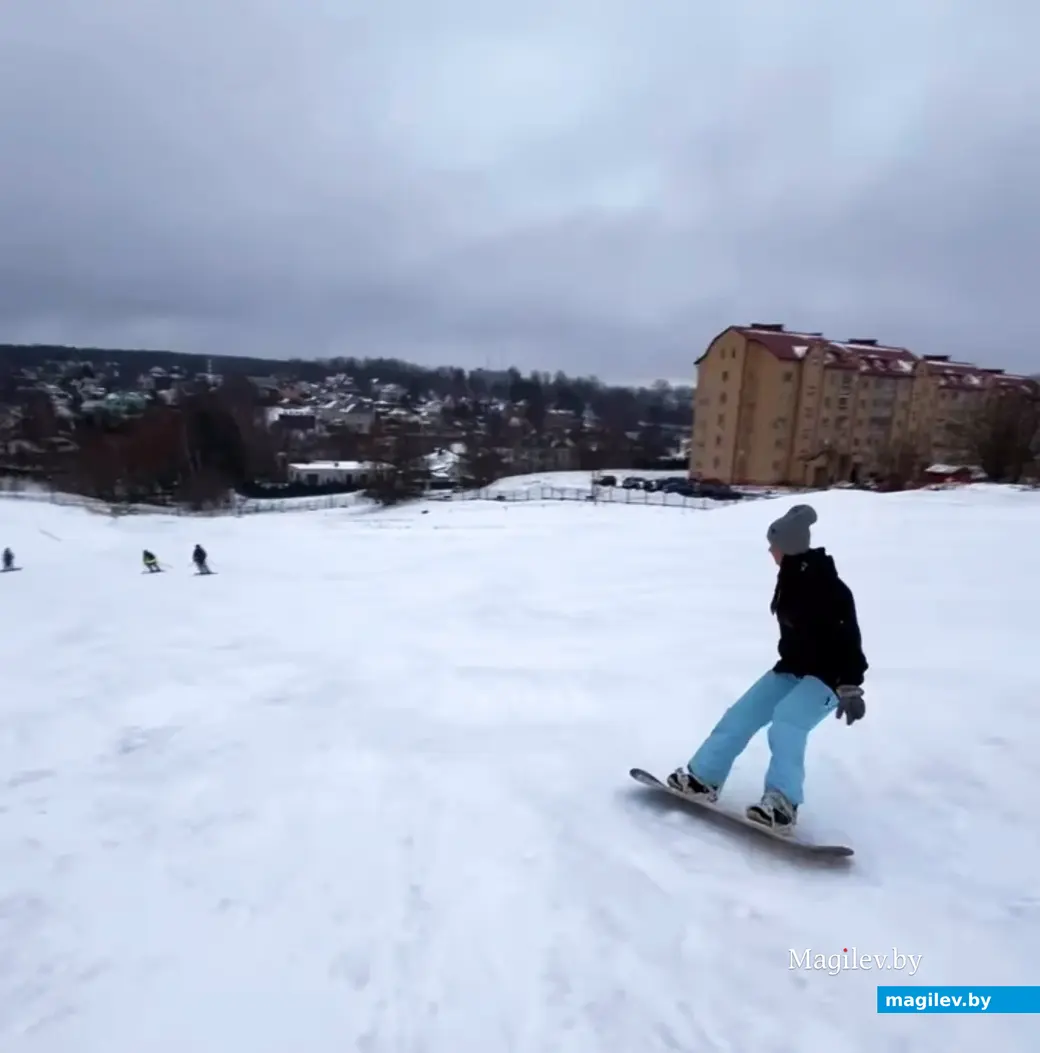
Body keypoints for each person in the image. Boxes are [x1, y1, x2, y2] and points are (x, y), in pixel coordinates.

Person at [668, 504, 867, 833]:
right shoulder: (791, 577)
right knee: (741, 715)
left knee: (788, 722)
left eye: (773, 543)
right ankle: (703, 779)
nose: (770, 550)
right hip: (792, 668)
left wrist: (850, 686)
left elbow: (849, 639)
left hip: (831, 677)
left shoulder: (829, 588)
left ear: (787, 545)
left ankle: (782, 804)